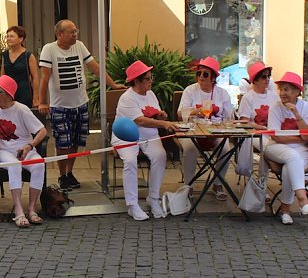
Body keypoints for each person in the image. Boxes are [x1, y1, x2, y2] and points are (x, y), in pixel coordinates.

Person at [38, 19, 122, 190]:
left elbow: (95, 68)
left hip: (81, 103)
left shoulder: (80, 46)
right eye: (71, 32)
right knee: (63, 143)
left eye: (76, 31)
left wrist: (112, 85)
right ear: (59, 34)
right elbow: (45, 77)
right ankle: (62, 175)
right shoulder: (49, 49)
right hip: (60, 105)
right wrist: (42, 102)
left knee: (76, 140)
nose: (75, 35)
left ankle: (70, 173)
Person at [0, 75, 48, 228]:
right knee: (14, 164)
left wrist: (29, 146)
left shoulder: (22, 109)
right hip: (4, 151)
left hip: (25, 148)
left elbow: (42, 131)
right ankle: (18, 210)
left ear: (7, 95)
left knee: (39, 164)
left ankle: (31, 209)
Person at [112, 60, 177, 221]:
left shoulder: (151, 94)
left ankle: (153, 198)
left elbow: (151, 114)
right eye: (147, 79)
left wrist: (160, 115)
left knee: (160, 156)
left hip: (149, 135)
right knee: (130, 161)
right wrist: (164, 123)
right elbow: (139, 120)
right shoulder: (127, 98)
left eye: (150, 77)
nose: (151, 81)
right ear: (136, 81)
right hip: (125, 136)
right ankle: (132, 204)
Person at [263, 71, 308, 225]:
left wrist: (295, 113)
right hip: (276, 147)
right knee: (292, 157)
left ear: (297, 92)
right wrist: (300, 137)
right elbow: (277, 137)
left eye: (286, 89)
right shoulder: (275, 108)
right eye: (281, 89)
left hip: (301, 149)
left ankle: (285, 210)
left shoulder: (305, 108)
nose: (282, 93)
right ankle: (302, 199)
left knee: (289, 167)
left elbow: (307, 137)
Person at [177, 56, 234, 200]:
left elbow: (229, 117)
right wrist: (198, 111)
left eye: (205, 74)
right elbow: (180, 113)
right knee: (190, 148)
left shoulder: (222, 93)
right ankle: (188, 184)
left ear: (213, 78)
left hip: (216, 131)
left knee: (225, 149)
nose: (201, 77)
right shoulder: (190, 91)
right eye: (199, 73)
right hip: (193, 130)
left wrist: (224, 117)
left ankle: (217, 183)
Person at [235, 61, 278, 177]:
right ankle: (262, 183)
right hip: (256, 133)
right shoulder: (248, 98)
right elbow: (245, 122)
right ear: (255, 79)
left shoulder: (274, 96)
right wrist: (262, 127)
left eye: (268, 76)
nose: (267, 79)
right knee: (268, 148)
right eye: (264, 76)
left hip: (273, 132)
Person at [1, 26, 39, 107]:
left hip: (24, 93)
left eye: (12, 36)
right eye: (7, 36)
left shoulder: (28, 55)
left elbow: (35, 77)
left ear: (21, 39)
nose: (8, 38)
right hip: (9, 93)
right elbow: (2, 76)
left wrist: (36, 98)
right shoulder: (5, 55)